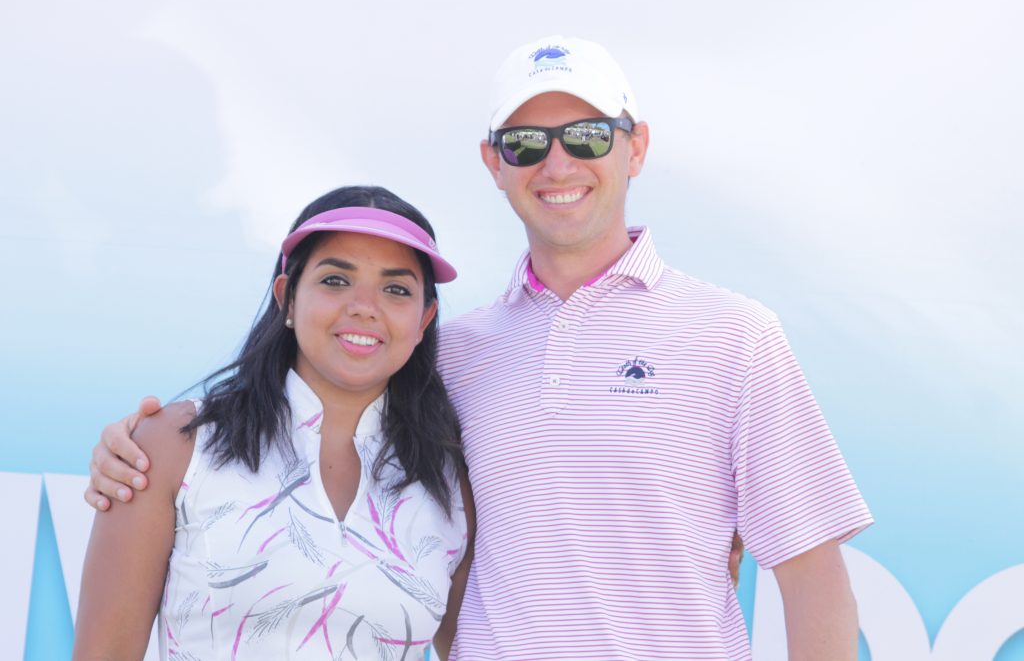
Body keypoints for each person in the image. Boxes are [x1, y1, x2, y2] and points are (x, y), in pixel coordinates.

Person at [85, 36, 872, 660]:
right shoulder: (451, 359)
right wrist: (136, 444)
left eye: (587, 135)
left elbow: (812, 572)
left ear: (635, 148)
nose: (557, 163)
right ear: (495, 163)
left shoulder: (735, 336)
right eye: (526, 142)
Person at [73, 186, 472, 661]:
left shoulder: (451, 485)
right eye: (335, 280)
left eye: (396, 289)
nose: (364, 306)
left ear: (424, 318)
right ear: (287, 297)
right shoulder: (175, 445)